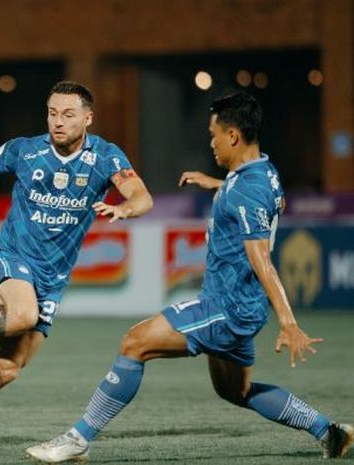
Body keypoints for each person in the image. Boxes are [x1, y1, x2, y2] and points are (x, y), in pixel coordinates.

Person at [25, 91, 353, 462]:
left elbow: (261, 257)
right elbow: (272, 202)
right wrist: (215, 184)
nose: (210, 143)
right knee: (236, 392)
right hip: (243, 308)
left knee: (135, 343)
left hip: (226, 307)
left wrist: (289, 322)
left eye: (213, 135)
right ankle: (329, 431)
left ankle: (78, 439)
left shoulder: (246, 187)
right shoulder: (262, 171)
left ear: (233, 136)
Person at [0, 80, 153, 447]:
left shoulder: (105, 157)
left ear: (88, 118)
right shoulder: (26, 150)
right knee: (22, 316)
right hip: (14, 256)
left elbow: (142, 197)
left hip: (53, 278)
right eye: (52, 113)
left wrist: (124, 208)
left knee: (5, 371)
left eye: (68, 114)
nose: (58, 122)